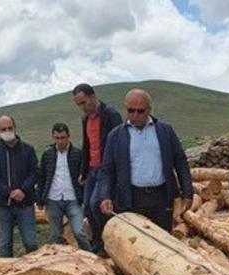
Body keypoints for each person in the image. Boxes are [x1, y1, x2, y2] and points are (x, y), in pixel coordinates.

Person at [97, 88, 193, 232]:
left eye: (140, 111)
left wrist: (187, 191)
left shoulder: (165, 131)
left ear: (149, 109)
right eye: (131, 110)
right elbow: (107, 170)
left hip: (162, 197)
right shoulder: (116, 136)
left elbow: (180, 162)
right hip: (132, 198)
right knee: (135, 241)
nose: (135, 115)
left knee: (163, 238)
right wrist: (105, 196)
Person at [72, 83, 123, 254]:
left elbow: (118, 143)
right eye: (78, 105)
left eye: (84, 102)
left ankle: (105, 243)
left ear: (93, 96)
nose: (82, 107)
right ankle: (96, 242)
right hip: (92, 168)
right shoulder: (85, 119)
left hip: (106, 168)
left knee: (97, 205)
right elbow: (87, 145)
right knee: (87, 207)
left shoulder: (111, 114)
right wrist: (83, 171)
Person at [0, 115, 39, 257]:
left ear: (15, 127)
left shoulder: (28, 150)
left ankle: (36, 274)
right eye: (3, 129)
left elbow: (34, 172)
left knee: (31, 243)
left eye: (10, 128)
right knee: (5, 244)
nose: (7, 131)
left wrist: (23, 190)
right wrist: (8, 192)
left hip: (25, 203)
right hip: (3, 205)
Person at [36, 123, 91, 250]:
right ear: (53, 137)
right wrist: (39, 199)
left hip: (73, 199)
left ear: (68, 137)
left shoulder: (78, 154)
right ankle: (61, 263)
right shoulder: (47, 155)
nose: (60, 141)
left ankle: (90, 257)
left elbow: (84, 176)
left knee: (79, 232)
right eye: (57, 138)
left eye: (63, 137)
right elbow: (42, 178)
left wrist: (84, 197)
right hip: (53, 199)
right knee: (56, 236)